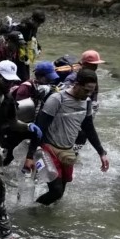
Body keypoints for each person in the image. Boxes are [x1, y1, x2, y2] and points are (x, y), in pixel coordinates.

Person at [26, 70, 106, 205]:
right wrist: (30, 155)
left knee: (60, 193)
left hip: (67, 150)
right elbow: (40, 128)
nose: (88, 95)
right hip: (47, 149)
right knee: (56, 191)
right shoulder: (57, 99)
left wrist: (101, 152)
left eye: (91, 92)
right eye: (86, 90)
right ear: (76, 84)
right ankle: (32, 212)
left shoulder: (86, 102)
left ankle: (44, 218)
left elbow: (89, 128)